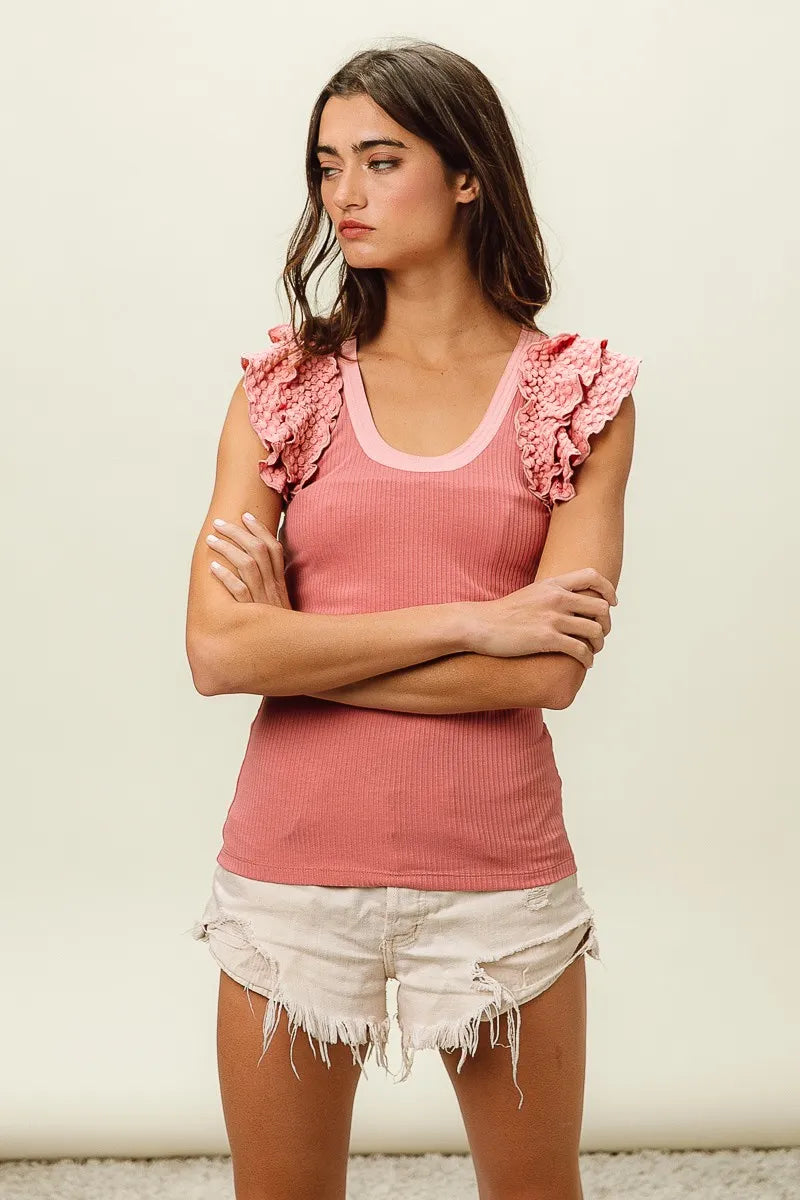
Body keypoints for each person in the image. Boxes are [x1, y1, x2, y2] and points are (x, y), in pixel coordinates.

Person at [184, 37, 641, 1200]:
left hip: (499, 882)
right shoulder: (282, 384)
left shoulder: (576, 393)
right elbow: (215, 650)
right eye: (327, 164)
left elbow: (546, 675)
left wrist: (301, 647)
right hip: (289, 878)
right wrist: (475, 622)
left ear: (468, 174)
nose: (342, 194)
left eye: (380, 161)